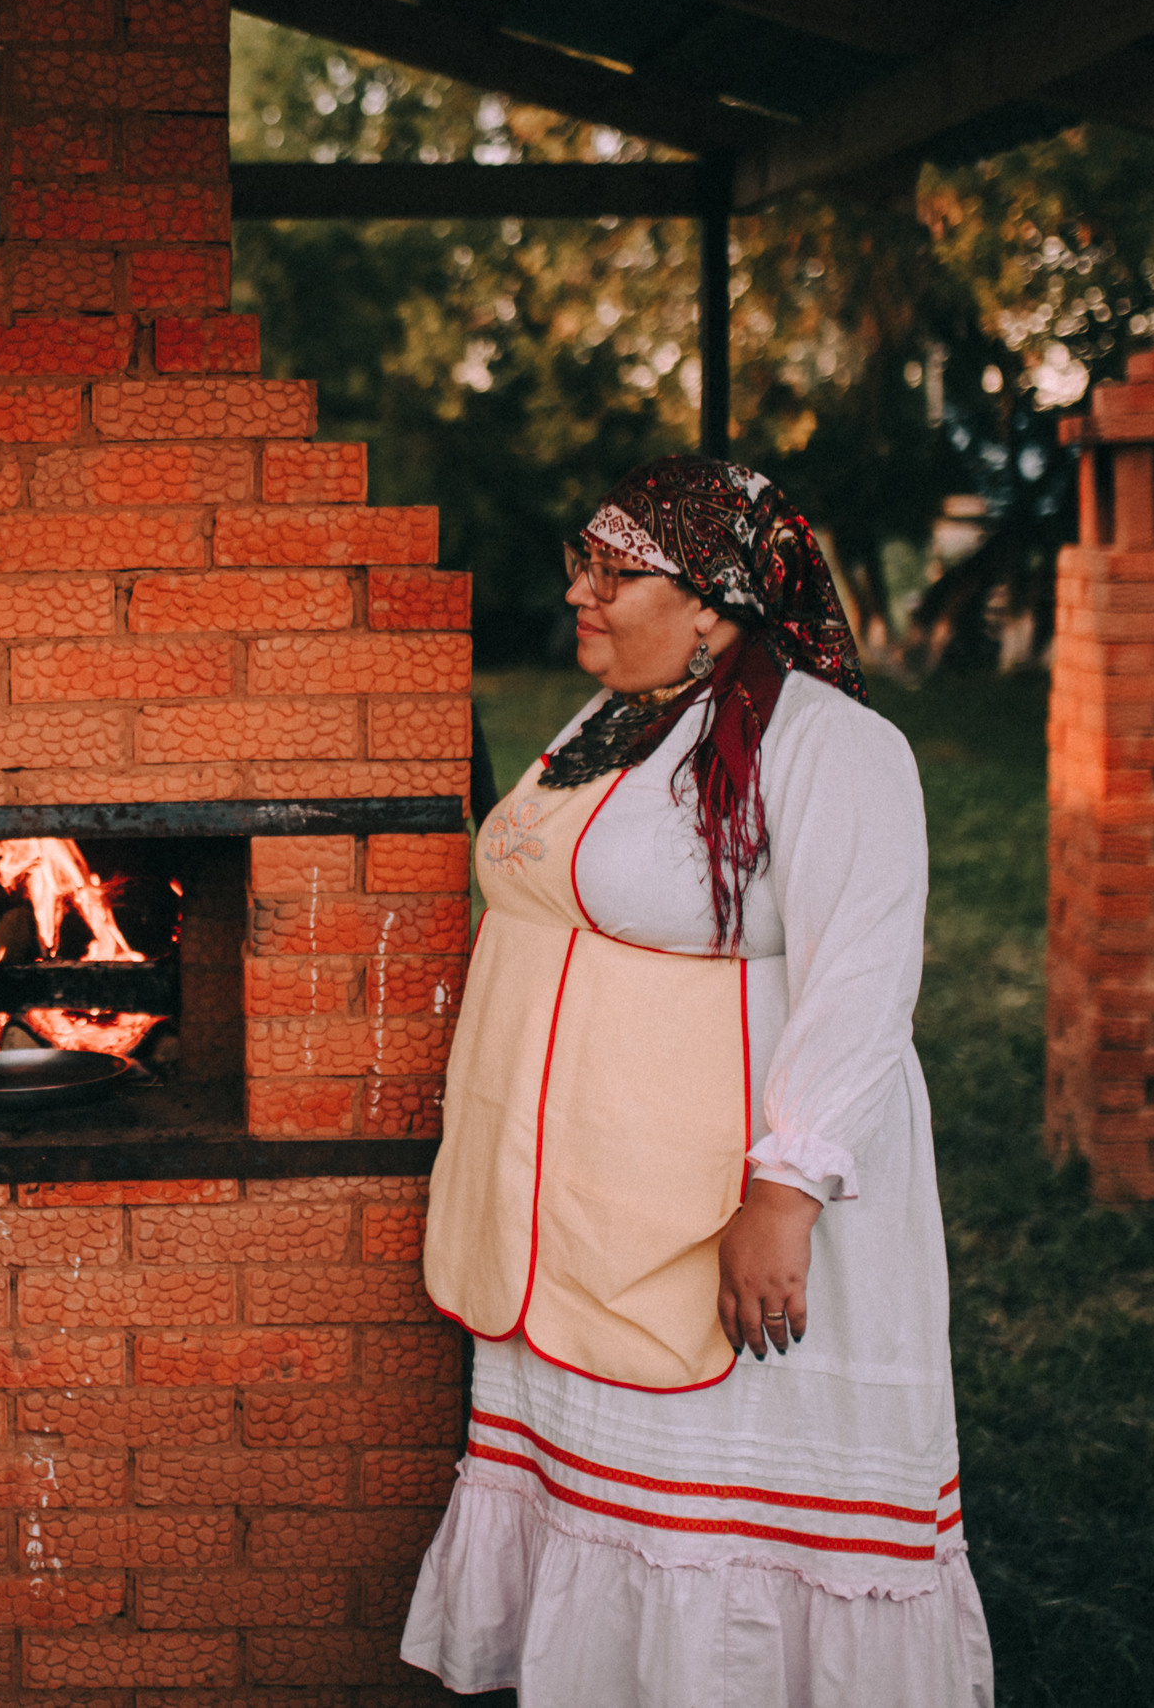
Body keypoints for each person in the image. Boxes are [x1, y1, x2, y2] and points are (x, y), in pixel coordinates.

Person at [404, 457, 993, 1705]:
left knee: (708, 1512)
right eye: (583, 563)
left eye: (617, 574)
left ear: (718, 602)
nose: (580, 592)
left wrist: (786, 1192)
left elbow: (862, 978)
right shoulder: (608, 723)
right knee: (599, 1490)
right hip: (576, 1213)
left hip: (718, 1203)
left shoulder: (836, 747)